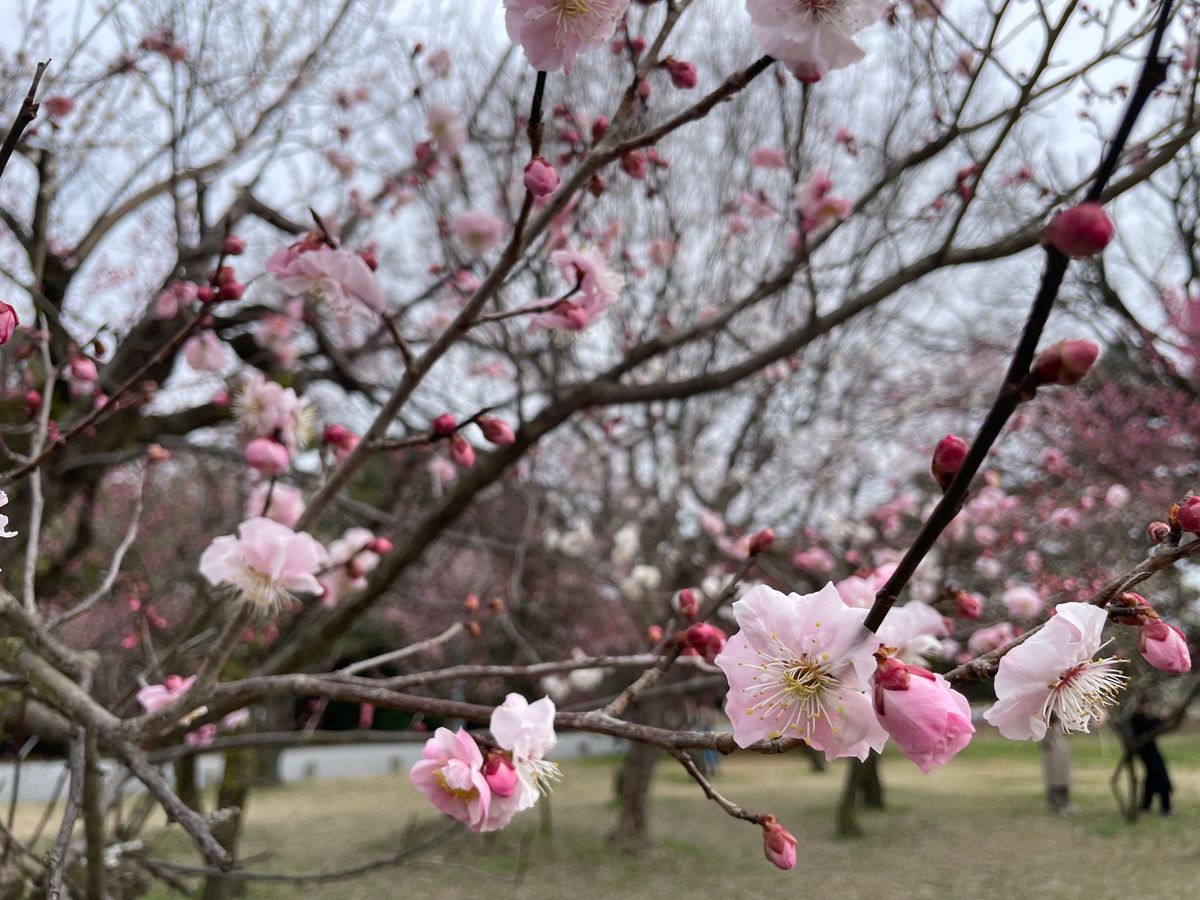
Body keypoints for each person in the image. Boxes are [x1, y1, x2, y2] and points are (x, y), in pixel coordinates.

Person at [1130, 699, 1173, 817]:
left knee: (1151, 779)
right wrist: (1160, 718)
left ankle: (1146, 805)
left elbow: (1153, 726)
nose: (1148, 709)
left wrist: (1161, 719)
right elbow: (1147, 725)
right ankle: (1165, 808)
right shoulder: (1136, 718)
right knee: (1161, 778)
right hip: (1147, 753)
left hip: (1152, 752)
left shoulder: (1144, 718)